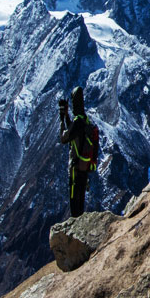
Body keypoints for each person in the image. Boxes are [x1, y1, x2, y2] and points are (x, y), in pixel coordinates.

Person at [59, 86, 94, 217]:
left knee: (75, 202)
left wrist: (62, 119)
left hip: (75, 167)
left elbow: (64, 138)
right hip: (84, 167)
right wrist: (67, 115)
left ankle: (75, 232)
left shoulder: (78, 121)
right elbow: (74, 132)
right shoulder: (85, 119)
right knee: (80, 199)